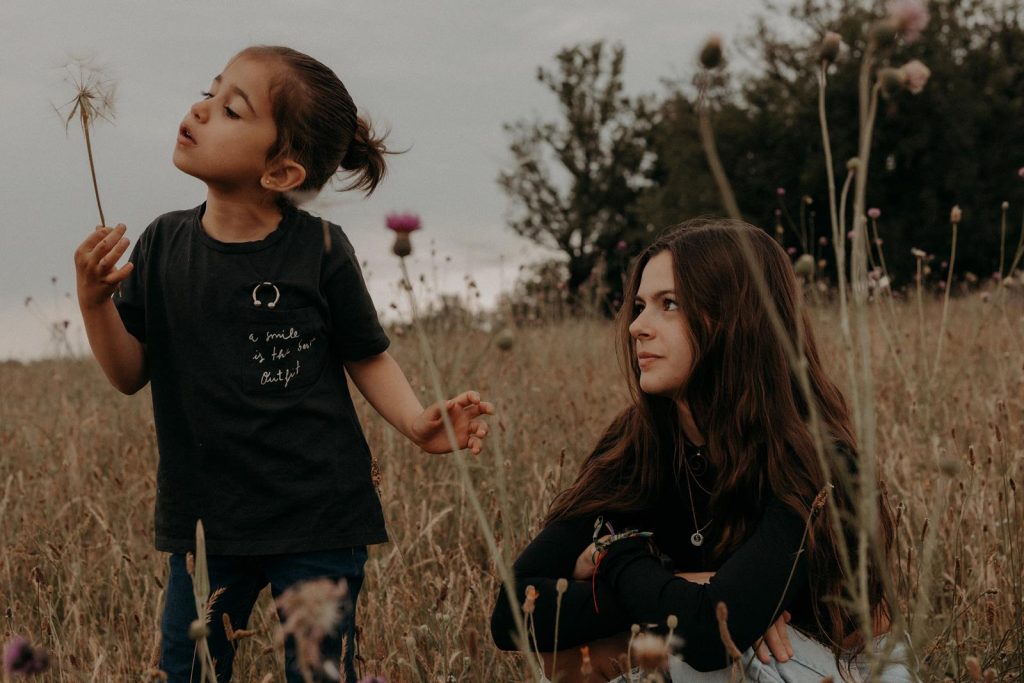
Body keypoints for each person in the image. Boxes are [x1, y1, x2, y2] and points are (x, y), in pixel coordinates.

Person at [74, 45, 493, 683]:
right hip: (205, 524)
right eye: (209, 91)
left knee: (318, 671)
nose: (201, 109)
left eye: (231, 109)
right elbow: (129, 373)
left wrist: (415, 422)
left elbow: (366, 353)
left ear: (281, 173)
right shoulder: (162, 245)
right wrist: (94, 301)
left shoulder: (319, 248)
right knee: (185, 669)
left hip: (319, 513)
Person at [490, 219, 915, 682]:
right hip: (719, 664)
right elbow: (513, 613)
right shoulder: (637, 443)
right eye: (638, 307)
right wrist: (691, 592)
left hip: (834, 670)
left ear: (736, 319)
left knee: (700, 654)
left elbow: (714, 639)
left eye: (668, 305)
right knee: (585, 658)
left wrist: (616, 556)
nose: (637, 327)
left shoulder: (814, 460)